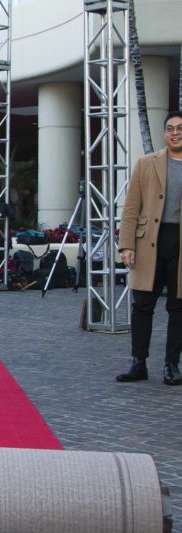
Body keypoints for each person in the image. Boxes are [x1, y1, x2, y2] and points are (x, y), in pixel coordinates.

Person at [116, 110, 182, 386]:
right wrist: (126, 245)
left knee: (178, 307)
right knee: (142, 304)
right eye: (170, 128)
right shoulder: (146, 164)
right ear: (164, 133)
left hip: (179, 244)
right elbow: (131, 207)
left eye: (180, 128)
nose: (175, 133)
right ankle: (138, 363)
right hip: (149, 243)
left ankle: (171, 365)